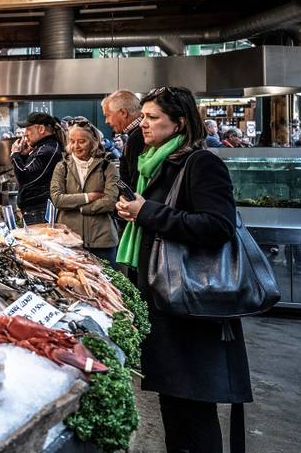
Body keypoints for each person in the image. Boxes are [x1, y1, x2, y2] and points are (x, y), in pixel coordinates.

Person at [115, 86, 251, 453]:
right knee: (173, 402)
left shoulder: (201, 163)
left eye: (152, 117)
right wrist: (135, 213)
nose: (143, 124)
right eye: (142, 117)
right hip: (163, 299)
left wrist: (148, 212)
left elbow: (218, 226)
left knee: (194, 408)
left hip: (193, 303)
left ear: (178, 123)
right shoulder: (151, 163)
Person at [50, 120, 120, 264]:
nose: (76, 146)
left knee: (107, 278)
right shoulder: (61, 167)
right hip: (69, 239)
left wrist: (82, 208)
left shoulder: (108, 167)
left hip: (102, 240)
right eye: (72, 141)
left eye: (82, 141)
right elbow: (57, 199)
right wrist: (88, 197)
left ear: (94, 142)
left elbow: (110, 201)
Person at [11, 112, 64, 225]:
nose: (25, 133)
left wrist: (15, 154)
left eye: (28, 129)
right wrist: (24, 156)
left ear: (41, 129)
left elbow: (25, 177)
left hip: (39, 212)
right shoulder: (43, 148)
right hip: (35, 211)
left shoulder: (47, 150)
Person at [102, 90, 144, 188]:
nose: (106, 121)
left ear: (123, 113)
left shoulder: (138, 136)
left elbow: (135, 181)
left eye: (107, 115)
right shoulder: (134, 135)